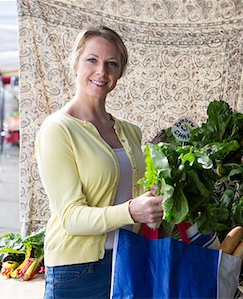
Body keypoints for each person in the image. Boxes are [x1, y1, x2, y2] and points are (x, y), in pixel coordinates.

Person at [35, 25, 164, 298]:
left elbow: (133, 193)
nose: (101, 72)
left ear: (120, 72)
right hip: (78, 271)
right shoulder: (57, 130)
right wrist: (131, 211)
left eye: (112, 64)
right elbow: (71, 217)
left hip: (129, 261)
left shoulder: (130, 131)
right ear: (75, 64)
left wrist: (155, 203)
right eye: (92, 60)